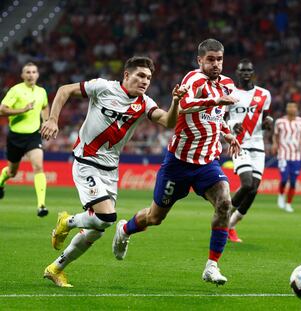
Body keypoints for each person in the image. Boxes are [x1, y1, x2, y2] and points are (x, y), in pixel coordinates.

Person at [40, 56, 188, 287]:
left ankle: (55, 268)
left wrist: (176, 101)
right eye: (140, 75)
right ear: (127, 75)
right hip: (86, 161)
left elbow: (168, 122)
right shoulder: (103, 87)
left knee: (97, 229)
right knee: (107, 217)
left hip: (111, 170)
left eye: (148, 78)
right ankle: (67, 222)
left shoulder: (145, 103)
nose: (145, 81)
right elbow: (64, 90)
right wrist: (52, 119)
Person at [112, 38, 241, 286]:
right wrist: (215, 101)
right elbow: (184, 106)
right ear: (200, 60)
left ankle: (212, 266)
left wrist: (226, 132)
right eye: (211, 59)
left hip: (207, 162)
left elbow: (215, 115)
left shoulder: (226, 84)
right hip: (179, 163)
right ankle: (125, 230)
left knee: (225, 203)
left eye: (220, 59)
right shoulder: (193, 80)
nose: (216, 64)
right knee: (154, 218)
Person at [225, 59, 272, 243]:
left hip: (258, 146)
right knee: (246, 184)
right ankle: (225, 214)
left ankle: (231, 225)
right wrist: (231, 125)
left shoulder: (264, 94)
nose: (246, 73)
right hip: (239, 144)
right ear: (237, 72)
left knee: (253, 190)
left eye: (249, 70)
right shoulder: (231, 94)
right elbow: (223, 118)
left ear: (253, 72)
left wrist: (270, 123)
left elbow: (266, 118)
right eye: (242, 70)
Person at [0, 62, 49, 217]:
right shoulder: (16, 90)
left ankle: (41, 205)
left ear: (37, 75)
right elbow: (2, 110)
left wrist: (46, 122)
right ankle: (1, 182)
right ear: (22, 75)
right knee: (12, 172)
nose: (31, 75)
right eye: (27, 72)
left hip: (33, 136)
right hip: (15, 136)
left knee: (38, 167)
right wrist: (23, 110)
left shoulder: (41, 92)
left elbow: (45, 106)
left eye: (34, 72)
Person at [272, 102, 301, 213]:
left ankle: (288, 204)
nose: (291, 108)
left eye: (293, 106)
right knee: (284, 179)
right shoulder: (280, 122)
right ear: (286, 108)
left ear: (297, 108)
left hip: (296, 156)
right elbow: (275, 135)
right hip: (283, 155)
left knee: (293, 182)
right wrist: (275, 144)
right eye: (289, 106)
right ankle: (280, 195)